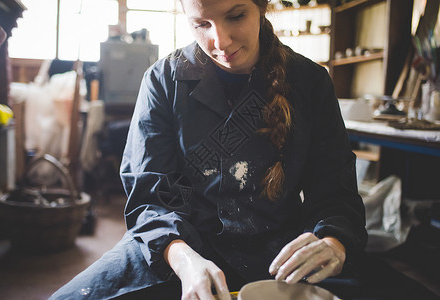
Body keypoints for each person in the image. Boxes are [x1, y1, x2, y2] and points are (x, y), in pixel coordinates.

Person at [50, 0, 368, 299]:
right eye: (201, 23)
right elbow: (151, 200)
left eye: (235, 16)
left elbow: (335, 193)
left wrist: (333, 242)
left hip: (280, 255)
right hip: (175, 244)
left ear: (261, 7)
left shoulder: (310, 82)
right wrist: (185, 260)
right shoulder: (162, 81)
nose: (221, 41)